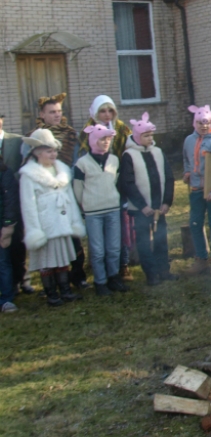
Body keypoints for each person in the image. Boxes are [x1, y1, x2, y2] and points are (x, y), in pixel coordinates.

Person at [19, 128, 87, 306]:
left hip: (62, 222)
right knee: (47, 259)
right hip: (45, 224)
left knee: (62, 257)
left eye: (55, 151)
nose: (53, 154)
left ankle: (65, 290)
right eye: (49, 151)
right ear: (38, 153)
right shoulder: (29, 175)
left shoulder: (62, 171)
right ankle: (51, 293)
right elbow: (28, 206)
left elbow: (70, 199)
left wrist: (73, 221)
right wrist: (35, 230)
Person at [35, 94, 88, 289]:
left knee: (73, 236)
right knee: (52, 239)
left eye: (59, 111)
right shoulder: (36, 136)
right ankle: (55, 281)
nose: (57, 115)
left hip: (67, 190)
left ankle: (77, 276)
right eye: (52, 112)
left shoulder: (70, 134)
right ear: (42, 114)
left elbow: (76, 163)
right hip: (46, 195)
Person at [119, 113, 175, 286]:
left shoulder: (158, 152)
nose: (150, 139)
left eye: (151, 135)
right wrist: (142, 206)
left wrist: (166, 202)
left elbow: (169, 177)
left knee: (161, 239)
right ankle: (151, 273)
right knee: (144, 242)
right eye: (145, 136)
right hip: (141, 209)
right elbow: (127, 183)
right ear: (137, 137)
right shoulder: (129, 156)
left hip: (159, 207)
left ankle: (163, 270)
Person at [73, 124, 124, 295]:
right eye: (102, 139)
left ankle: (114, 277)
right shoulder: (82, 163)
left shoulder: (114, 160)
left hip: (112, 209)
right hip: (93, 212)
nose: (106, 142)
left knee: (114, 247)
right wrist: (86, 205)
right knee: (97, 249)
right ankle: (100, 282)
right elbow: (78, 189)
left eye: (109, 139)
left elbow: (115, 181)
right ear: (93, 140)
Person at [182, 104, 211, 275]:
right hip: (195, 190)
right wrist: (187, 172)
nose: (204, 126)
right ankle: (201, 258)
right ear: (195, 123)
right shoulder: (188, 141)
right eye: (200, 122)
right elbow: (186, 160)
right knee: (195, 223)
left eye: (207, 122)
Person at [0, 114, 31, 298]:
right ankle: (10, 285)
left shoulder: (17, 141)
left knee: (18, 243)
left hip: (17, 199)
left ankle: (22, 279)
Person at [0, 154, 18, 312]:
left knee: (3, 263)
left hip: (2, 226)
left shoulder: (4, 172)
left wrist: (8, 225)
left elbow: (10, 201)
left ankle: (6, 299)